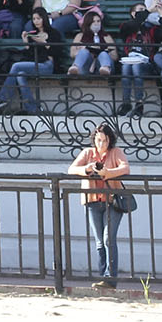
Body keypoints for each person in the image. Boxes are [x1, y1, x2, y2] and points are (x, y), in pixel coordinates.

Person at [68, 122, 132, 289]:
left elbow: (125, 168)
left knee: (108, 239)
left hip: (113, 201)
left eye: (104, 140)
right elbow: (71, 169)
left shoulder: (116, 152)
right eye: (98, 140)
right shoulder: (87, 153)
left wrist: (107, 173)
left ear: (110, 140)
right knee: (99, 242)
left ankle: (110, 278)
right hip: (93, 201)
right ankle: (103, 277)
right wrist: (87, 169)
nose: (101, 144)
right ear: (94, 140)